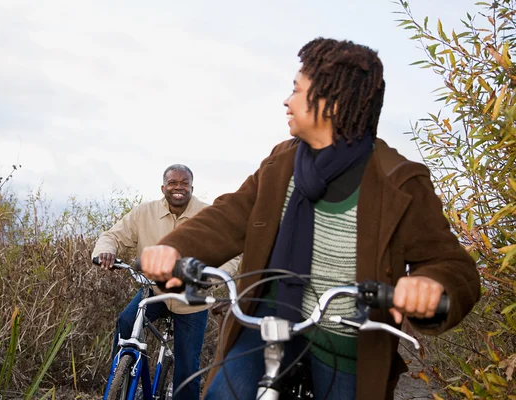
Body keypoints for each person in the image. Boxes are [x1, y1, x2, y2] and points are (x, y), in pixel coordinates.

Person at [137, 38, 481, 400]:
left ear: (332, 103)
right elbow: (229, 215)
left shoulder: (399, 182)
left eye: (296, 91)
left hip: (349, 336)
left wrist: (432, 287)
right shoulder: (280, 164)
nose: (287, 101)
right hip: (268, 320)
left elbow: (450, 264)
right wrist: (171, 250)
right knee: (223, 394)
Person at [92, 164, 239, 400]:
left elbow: (234, 251)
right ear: (163, 187)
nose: (178, 187)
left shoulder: (208, 215)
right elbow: (112, 236)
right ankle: (121, 381)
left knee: (187, 368)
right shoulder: (144, 213)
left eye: (184, 183)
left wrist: (211, 276)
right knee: (127, 322)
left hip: (191, 297)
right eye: (172, 183)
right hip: (155, 289)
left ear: (192, 187)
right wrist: (105, 252)